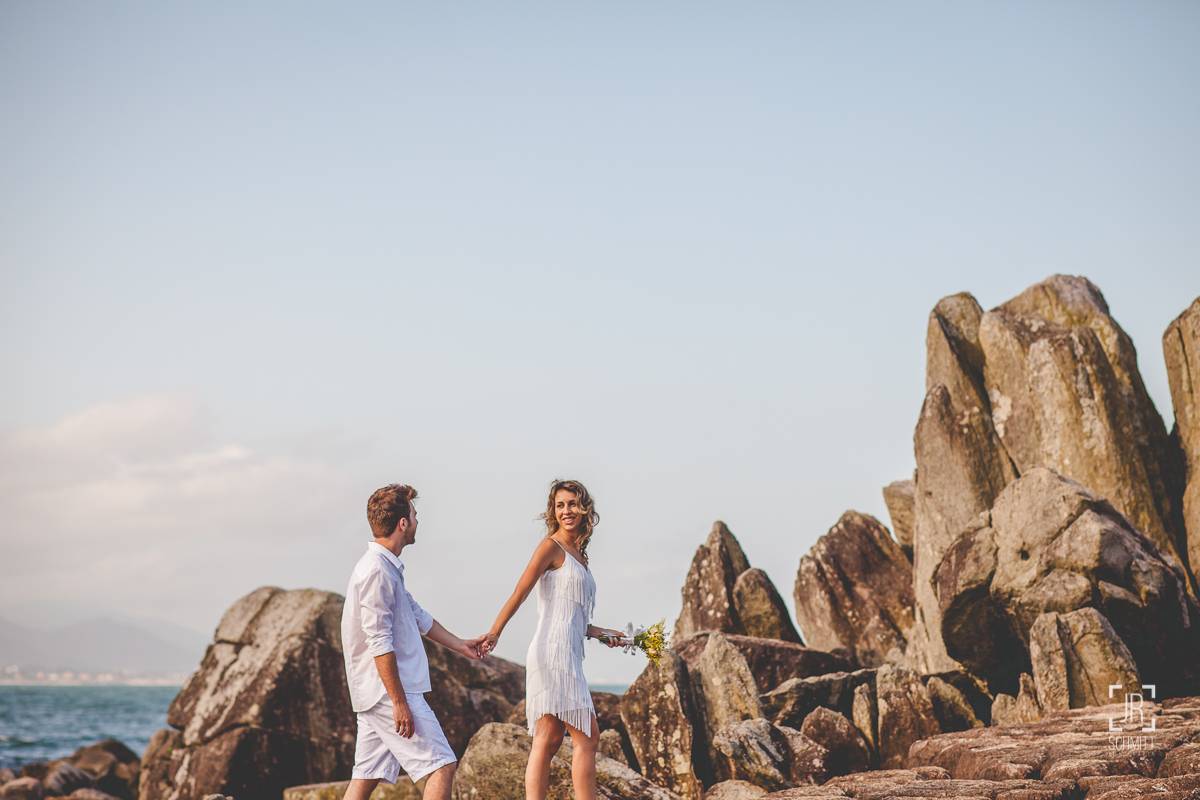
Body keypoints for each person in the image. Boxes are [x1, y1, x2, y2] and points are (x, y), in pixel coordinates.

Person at [481, 479, 626, 800]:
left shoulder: (579, 555)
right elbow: (520, 592)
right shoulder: (551, 547)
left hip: (567, 649)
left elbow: (572, 616)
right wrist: (495, 631)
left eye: (572, 504)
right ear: (553, 511)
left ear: (584, 507)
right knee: (587, 739)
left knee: (547, 741)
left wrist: (600, 632)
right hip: (553, 652)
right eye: (560, 505)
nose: (566, 511)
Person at [342, 484, 487, 800]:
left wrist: (461, 645)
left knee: (366, 776)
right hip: (389, 692)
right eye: (415, 515)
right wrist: (398, 703)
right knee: (441, 766)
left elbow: (417, 616)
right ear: (403, 523)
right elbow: (379, 641)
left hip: (377, 692)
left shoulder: (386, 568)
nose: (418, 522)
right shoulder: (376, 571)